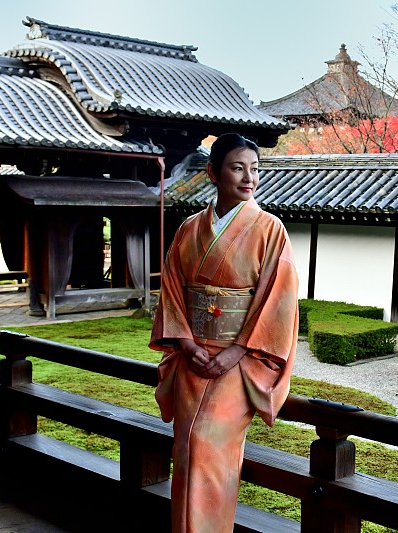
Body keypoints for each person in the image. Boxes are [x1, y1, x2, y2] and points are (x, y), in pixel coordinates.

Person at [150, 133, 299, 533]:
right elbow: (173, 288)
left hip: (240, 361)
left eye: (255, 169)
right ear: (213, 172)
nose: (249, 178)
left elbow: (277, 301)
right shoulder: (188, 228)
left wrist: (235, 351)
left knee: (207, 446)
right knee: (186, 449)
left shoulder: (270, 229)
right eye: (238, 168)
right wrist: (183, 342)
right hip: (192, 358)